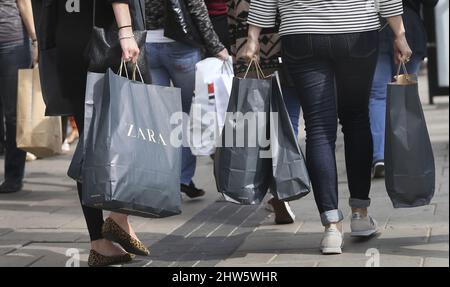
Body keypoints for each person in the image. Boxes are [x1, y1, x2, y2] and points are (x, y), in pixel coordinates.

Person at [245, 0, 412, 254]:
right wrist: (399, 34)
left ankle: (331, 226)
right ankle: (360, 214)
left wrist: (253, 37)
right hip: (357, 28)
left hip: (301, 31)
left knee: (318, 127)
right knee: (356, 118)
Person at [33, 0, 149, 267]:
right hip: (103, 41)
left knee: (91, 142)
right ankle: (119, 219)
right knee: (126, 133)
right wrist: (126, 30)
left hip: (67, 41)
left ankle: (99, 242)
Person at [145, 0, 229, 199]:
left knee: (161, 117)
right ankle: (182, 177)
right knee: (187, 114)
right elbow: (196, 6)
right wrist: (216, 46)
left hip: (146, 43)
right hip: (180, 45)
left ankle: (164, 179)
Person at [228, 0, 301, 225]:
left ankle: (268, 185)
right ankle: (282, 184)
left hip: (249, 45)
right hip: (291, 41)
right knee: (288, 118)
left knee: (260, 120)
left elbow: (231, 13)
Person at [369, 0, 439, 178]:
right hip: (409, 27)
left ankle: (380, 156)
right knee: (405, 95)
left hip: (374, 27)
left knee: (377, 95)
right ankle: (404, 156)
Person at [0, 0, 37, 194]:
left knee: (13, 113)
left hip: (12, 43)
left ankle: (14, 176)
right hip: (12, 44)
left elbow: (24, 2)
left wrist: (35, 40)